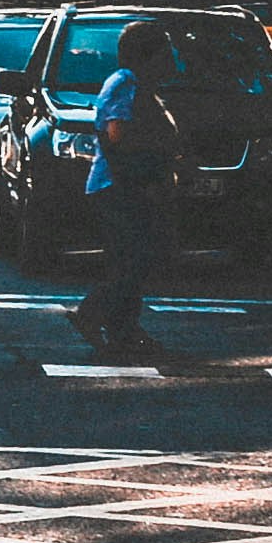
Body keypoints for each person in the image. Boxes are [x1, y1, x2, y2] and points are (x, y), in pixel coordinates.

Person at [73, 20, 186, 355]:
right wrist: (143, 175)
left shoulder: (140, 86)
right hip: (118, 187)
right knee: (132, 259)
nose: (172, 58)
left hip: (131, 186)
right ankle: (94, 315)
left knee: (137, 259)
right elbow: (117, 136)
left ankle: (124, 328)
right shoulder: (124, 84)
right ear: (147, 55)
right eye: (166, 51)